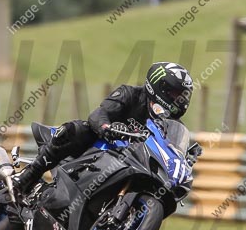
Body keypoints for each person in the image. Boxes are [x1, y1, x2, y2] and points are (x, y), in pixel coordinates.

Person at [12, 61, 194, 195]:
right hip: (101, 146)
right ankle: (30, 174)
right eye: (174, 93)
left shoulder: (172, 125)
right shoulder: (129, 94)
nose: (180, 100)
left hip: (132, 163)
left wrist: (185, 156)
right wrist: (107, 127)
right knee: (79, 129)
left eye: (183, 96)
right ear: (159, 86)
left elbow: (169, 148)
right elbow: (98, 115)